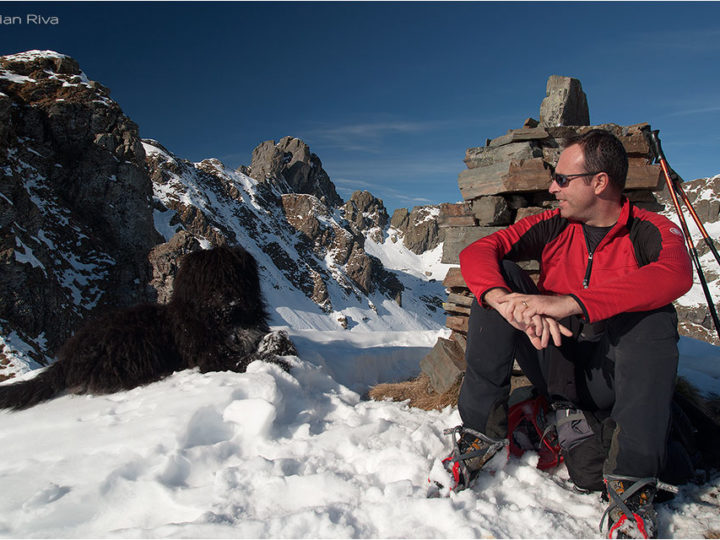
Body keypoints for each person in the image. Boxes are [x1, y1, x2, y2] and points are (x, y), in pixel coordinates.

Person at [448, 129, 693, 538]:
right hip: (553, 358)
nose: (552, 187)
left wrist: (571, 302)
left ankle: (631, 488)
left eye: (563, 179)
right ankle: (480, 436)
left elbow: (676, 273)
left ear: (599, 182)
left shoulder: (649, 230)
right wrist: (505, 300)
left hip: (611, 374)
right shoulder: (554, 225)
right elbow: (478, 252)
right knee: (497, 283)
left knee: (654, 316)